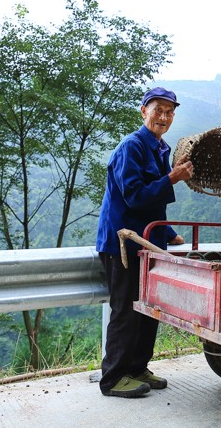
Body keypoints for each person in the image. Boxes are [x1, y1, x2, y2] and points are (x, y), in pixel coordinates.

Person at [95, 87, 193, 398]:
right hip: (121, 245)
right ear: (143, 111)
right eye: (158, 110)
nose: (163, 117)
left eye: (169, 112)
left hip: (146, 243)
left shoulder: (160, 149)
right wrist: (172, 179)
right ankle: (112, 378)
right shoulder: (132, 146)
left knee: (149, 308)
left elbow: (153, 206)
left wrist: (168, 233)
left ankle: (137, 368)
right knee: (125, 310)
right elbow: (134, 196)